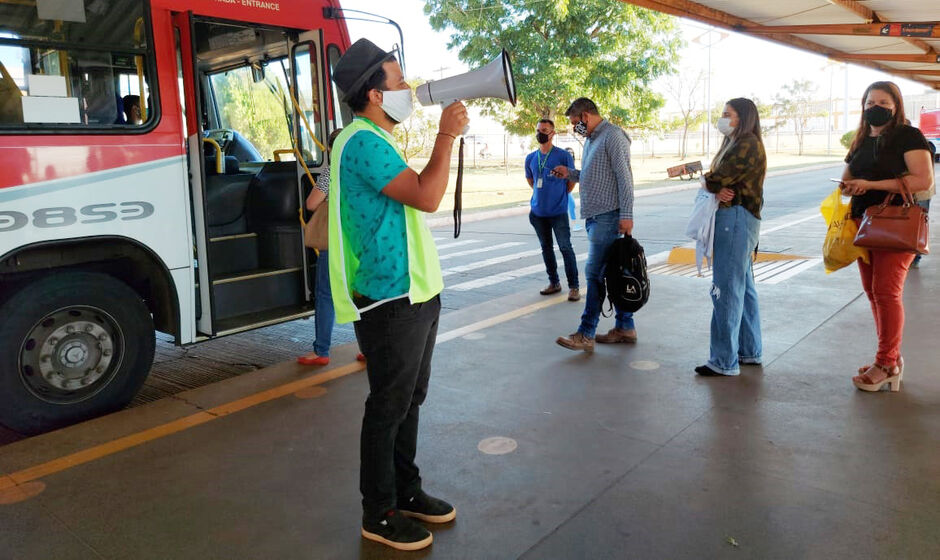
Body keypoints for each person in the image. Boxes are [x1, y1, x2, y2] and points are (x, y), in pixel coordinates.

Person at [329, 38, 468, 551]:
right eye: (399, 80)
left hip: (414, 293)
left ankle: (406, 492)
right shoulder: (363, 141)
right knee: (388, 405)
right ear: (373, 93)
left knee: (410, 399)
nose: (409, 89)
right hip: (390, 300)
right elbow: (429, 197)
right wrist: (446, 137)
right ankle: (379, 512)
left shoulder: (374, 138)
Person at [839, 81, 934, 392]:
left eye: (882, 101)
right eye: (869, 103)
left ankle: (887, 363)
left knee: (886, 292)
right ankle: (888, 357)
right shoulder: (863, 138)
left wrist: (872, 185)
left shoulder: (908, 135)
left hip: (895, 222)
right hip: (863, 222)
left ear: (896, 106)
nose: (874, 107)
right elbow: (848, 176)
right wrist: (850, 185)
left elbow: (922, 179)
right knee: (873, 292)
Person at [552, 98, 636, 352]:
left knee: (593, 273)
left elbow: (625, 178)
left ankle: (586, 332)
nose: (574, 128)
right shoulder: (590, 140)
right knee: (611, 274)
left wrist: (627, 214)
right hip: (595, 216)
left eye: (575, 123)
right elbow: (594, 176)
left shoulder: (612, 136)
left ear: (586, 116)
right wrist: (571, 174)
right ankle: (625, 326)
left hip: (609, 216)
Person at [693, 98, 766, 377]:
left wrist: (711, 184)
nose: (723, 118)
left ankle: (723, 359)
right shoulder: (736, 143)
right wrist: (714, 185)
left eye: (728, 114)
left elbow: (715, 179)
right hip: (739, 219)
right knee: (743, 287)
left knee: (725, 288)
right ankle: (749, 350)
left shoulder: (746, 143)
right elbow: (719, 182)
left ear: (743, 117)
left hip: (735, 219)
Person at [296, 129, 366, 366]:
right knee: (361, 295)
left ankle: (321, 351)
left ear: (330, 149)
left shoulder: (332, 172)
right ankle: (368, 349)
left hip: (335, 242)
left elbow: (311, 203)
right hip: (360, 242)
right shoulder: (363, 169)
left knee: (325, 294)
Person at [525, 118, 580, 301]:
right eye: (539, 129)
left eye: (545, 130)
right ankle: (554, 283)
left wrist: (561, 195)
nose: (541, 133)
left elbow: (571, 181)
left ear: (553, 133)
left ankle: (574, 287)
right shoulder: (531, 158)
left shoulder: (563, 156)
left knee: (565, 247)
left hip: (558, 213)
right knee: (546, 248)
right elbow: (531, 181)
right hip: (538, 213)